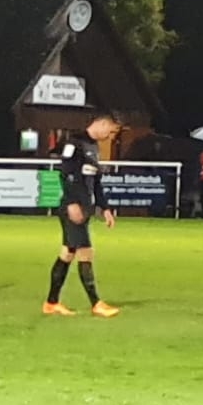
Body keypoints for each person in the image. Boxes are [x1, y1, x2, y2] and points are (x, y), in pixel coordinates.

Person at [43, 112, 122, 318]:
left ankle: (51, 303)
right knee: (86, 252)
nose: (111, 136)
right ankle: (96, 303)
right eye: (111, 131)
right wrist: (71, 203)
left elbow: (96, 182)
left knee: (67, 254)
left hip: (84, 208)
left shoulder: (94, 147)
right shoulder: (74, 143)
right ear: (101, 124)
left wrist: (105, 208)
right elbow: (65, 174)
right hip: (73, 209)